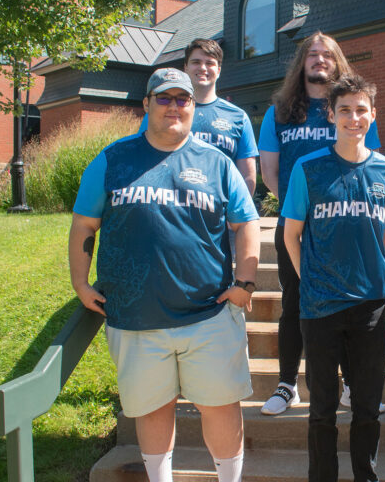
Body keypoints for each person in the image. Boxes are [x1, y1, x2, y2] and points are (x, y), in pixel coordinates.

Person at [69, 68, 260, 482]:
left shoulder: (217, 163)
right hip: (136, 318)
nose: (174, 106)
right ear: (147, 104)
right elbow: (84, 224)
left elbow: (247, 223)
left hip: (209, 314)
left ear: (193, 105)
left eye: (183, 99)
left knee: (222, 406)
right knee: (152, 409)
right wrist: (80, 284)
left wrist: (244, 283)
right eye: (164, 98)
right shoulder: (113, 159)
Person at [281, 74, 385, 482]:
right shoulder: (309, 167)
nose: (354, 118)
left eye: (361, 110)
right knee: (321, 411)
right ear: (332, 115)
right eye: (345, 110)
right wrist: (310, 282)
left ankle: (365, 476)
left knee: (367, 408)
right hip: (320, 308)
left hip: (369, 305)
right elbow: (290, 234)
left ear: (373, 114)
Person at [258, 32, 381, 415]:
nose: (319, 60)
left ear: (336, 61)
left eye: (326, 54)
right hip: (296, 224)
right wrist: (299, 211)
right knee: (294, 301)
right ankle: (286, 385)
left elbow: (366, 163)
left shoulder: (350, 108)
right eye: (311, 54)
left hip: (344, 222)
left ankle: (346, 382)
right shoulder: (279, 111)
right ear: (302, 63)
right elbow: (269, 171)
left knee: (344, 302)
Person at [139, 38, 258, 195]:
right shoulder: (161, 111)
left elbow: (248, 177)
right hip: (168, 208)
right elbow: (142, 157)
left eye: (210, 63)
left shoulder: (238, 117)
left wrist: (235, 216)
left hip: (218, 213)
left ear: (219, 70)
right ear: (185, 68)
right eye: (196, 62)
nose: (203, 68)